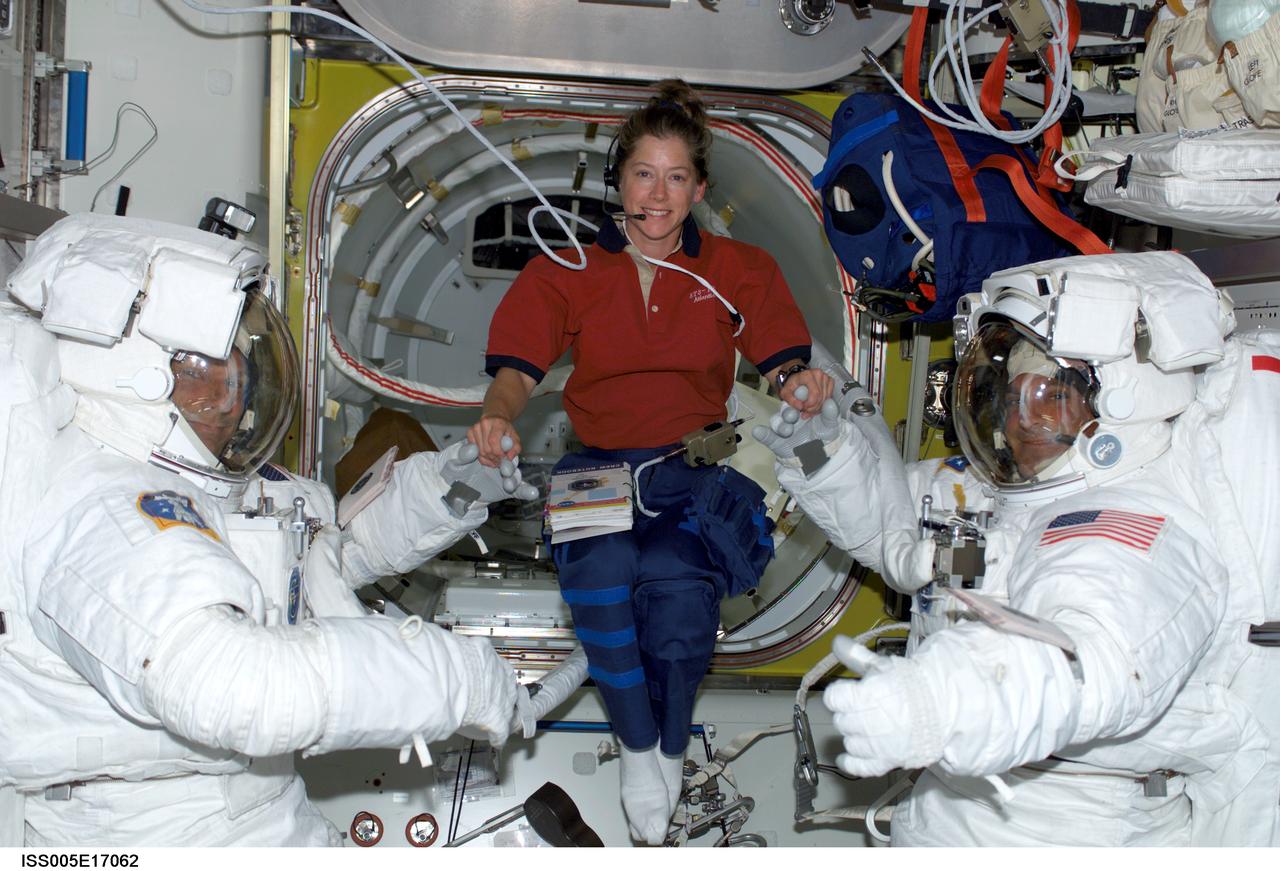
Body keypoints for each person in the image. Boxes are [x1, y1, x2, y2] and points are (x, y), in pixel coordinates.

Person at [0, 213, 544, 846]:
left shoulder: (210, 485)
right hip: (148, 831)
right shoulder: (102, 511)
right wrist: (455, 680)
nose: (231, 398)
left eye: (237, 367)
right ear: (131, 378)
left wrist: (451, 486)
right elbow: (228, 685)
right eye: (202, 375)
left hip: (260, 811)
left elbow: (329, 558)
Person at [755, 251, 1272, 846]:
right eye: (1012, 393)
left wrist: (949, 699)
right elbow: (885, 529)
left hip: (1069, 825)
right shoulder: (991, 491)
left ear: (1120, 404)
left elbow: (1092, 661)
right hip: (946, 808)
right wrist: (819, 448)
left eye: (1051, 396)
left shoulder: (1132, 525)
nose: (1022, 420)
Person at [466, 79, 833, 844]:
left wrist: (799, 382)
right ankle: (640, 751)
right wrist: (498, 414)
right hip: (597, 469)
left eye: (675, 177)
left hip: (688, 473)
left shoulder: (736, 268)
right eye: (643, 174)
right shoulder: (570, 268)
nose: (657, 195)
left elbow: (783, 360)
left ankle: (668, 747)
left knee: (678, 605)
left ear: (698, 189)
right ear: (619, 181)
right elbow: (518, 368)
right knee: (601, 576)